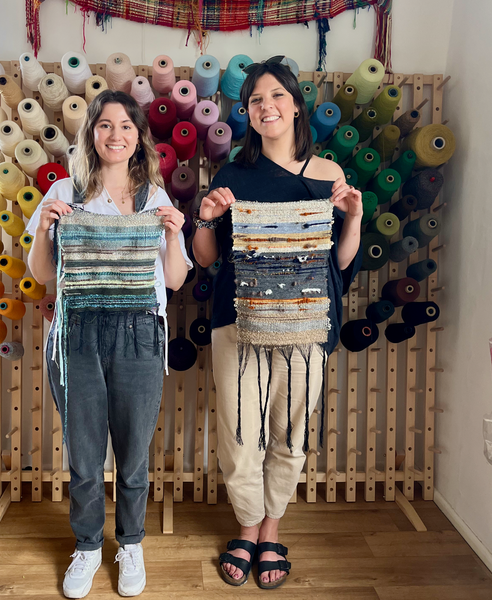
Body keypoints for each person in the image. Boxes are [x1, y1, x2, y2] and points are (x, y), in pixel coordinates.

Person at [192, 59, 363, 590]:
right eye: (255, 100)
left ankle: (270, 531)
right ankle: (245, 527)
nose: (266, 106)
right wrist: (206, 218)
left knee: (289, 433)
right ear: (247, 112)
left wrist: (354, 217)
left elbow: (340, 264)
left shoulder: (329, 175)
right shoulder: (233, 176)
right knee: (240, 433)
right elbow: (203, 259)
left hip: (309, 325)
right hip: (236, 321)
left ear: (295, 104)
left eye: (275, 96)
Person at [27, 90, 191, 599]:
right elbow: (43, 276)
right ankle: (87, 547)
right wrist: (45, 232)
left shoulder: (156, 201)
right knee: (84, 451)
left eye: (125, 126)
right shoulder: (65, 194)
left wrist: (177, 236)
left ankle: (131, 543)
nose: (115, 134)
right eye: (104, 125)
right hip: (75, 330)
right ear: (90, 134)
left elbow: (176, 281)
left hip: (140, 331)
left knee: (134, 452)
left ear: (139, 137)